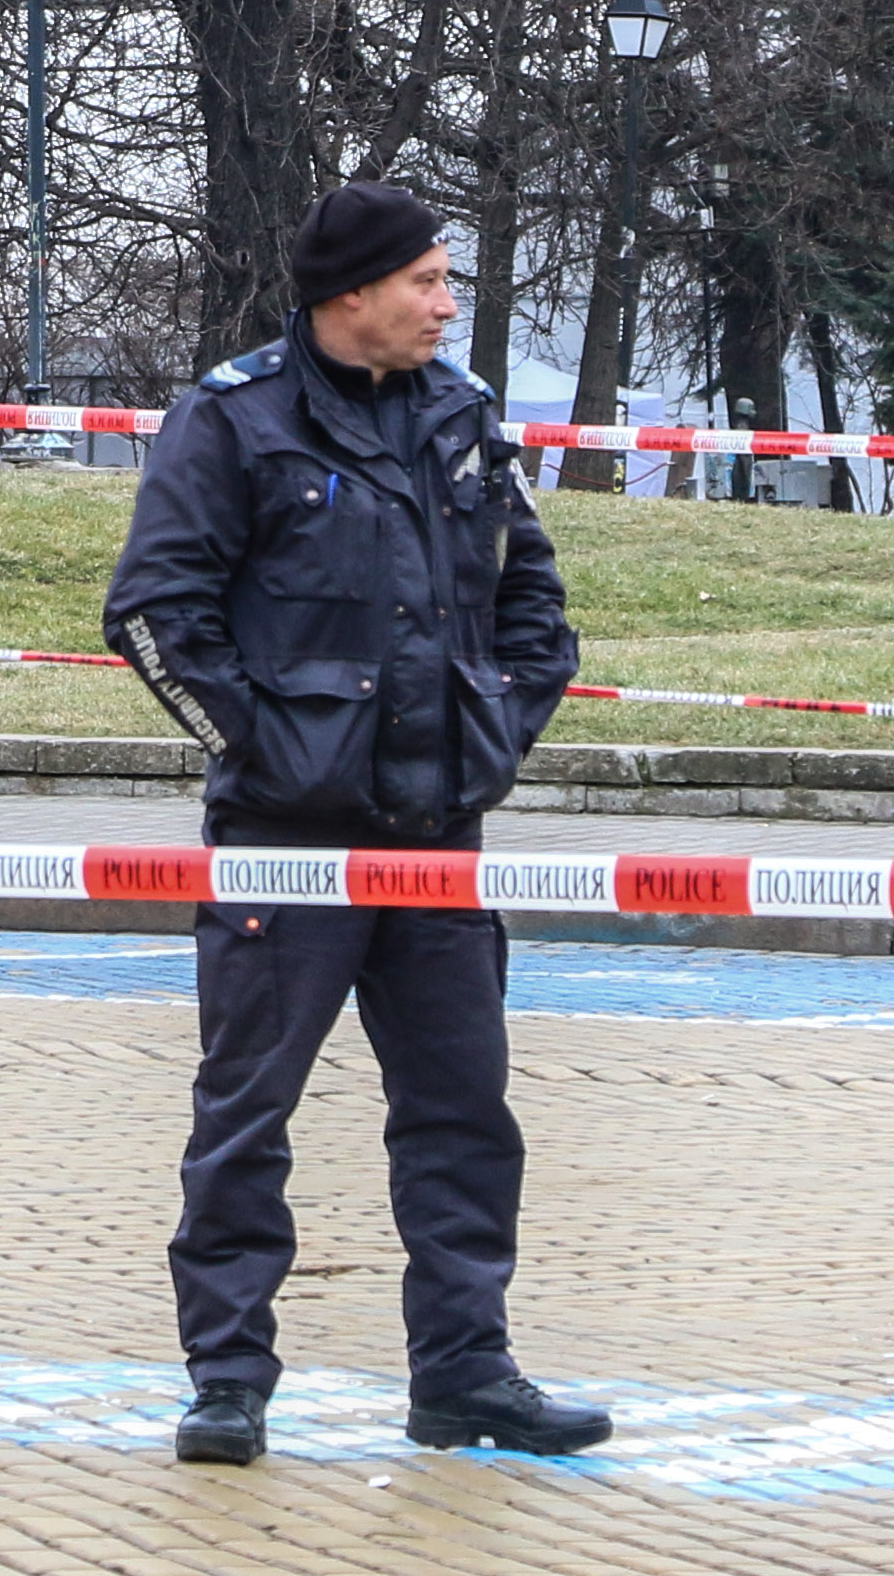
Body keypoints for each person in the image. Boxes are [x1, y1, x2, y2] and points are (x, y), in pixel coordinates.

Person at [103, 180, 611, 1469]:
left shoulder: (462, 413)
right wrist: (272, 754)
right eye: (429, 282)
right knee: (246, 1115)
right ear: (353, 297)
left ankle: (465, 1373)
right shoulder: (232, 417)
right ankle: (228, 1380)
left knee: (463, 1115)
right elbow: (157, 615)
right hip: (289, 844)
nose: (450, 305)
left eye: (448, 283)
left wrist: (496, 731)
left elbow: (532, 600)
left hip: (438, 839)